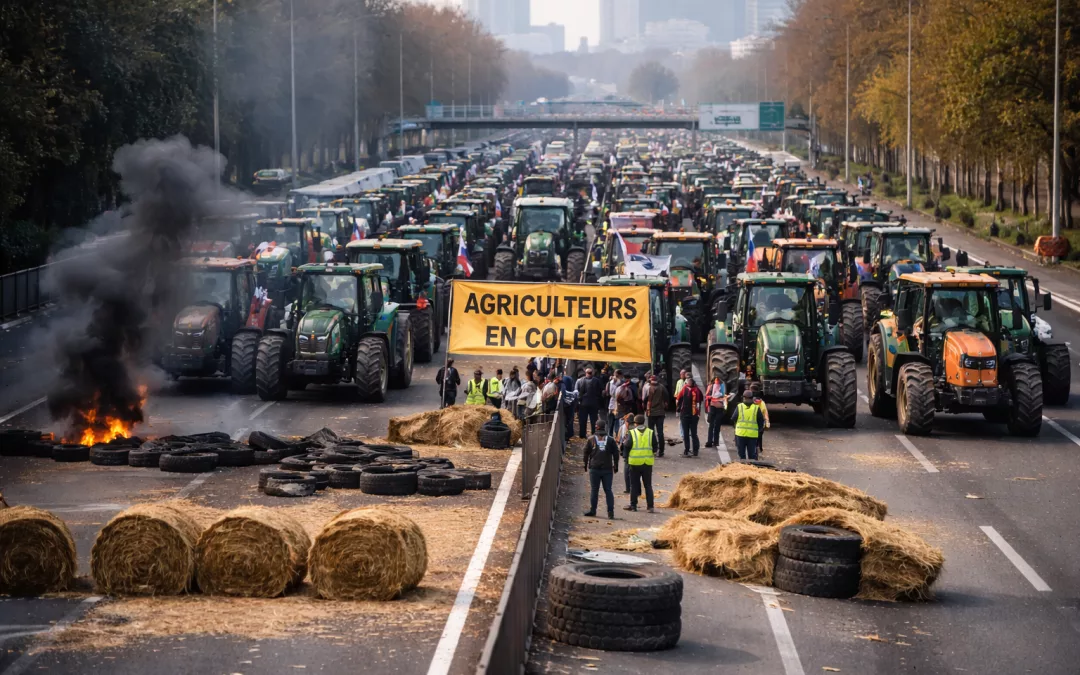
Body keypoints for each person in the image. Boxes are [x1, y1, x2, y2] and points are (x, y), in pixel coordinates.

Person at [582, 421, 619, 519]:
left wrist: (585, 465)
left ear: (596, 427)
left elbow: (586, 453)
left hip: (594, 468)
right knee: (608, 490)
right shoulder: (611, 440)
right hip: (607, 468)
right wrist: (616, 466)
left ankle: (593, 510)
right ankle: (610, 512)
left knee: (594, 490)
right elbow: (616, 453)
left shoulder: (591, 439)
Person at [622, 415, 657, 513]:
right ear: (644, 422)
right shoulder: (650, 432)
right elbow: (655, 447)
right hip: (647, 463)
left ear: (635, 423)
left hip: (634, 463)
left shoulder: (632, 432)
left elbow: (627, 445)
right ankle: (650, 507)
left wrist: (626, 457)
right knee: (648, 485)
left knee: (634, 485)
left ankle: (633, 506)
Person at [733, 389, 766, 460]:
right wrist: (759, 431)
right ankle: (750, 468)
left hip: (740, 434)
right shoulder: (756, 408)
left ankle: (743, 468)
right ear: (752, 398)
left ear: (743, 398)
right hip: (752, 435)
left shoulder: (739, 407)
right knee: (752, 456)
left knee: (741, 455)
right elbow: (761, 421)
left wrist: (736, 428)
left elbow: (734, 418)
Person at [676, 376, 703, 457]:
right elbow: (701, 399)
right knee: (694, 433)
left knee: (686, 433)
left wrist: (678, 410)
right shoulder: (697, 390)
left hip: (685, 415)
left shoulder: (685, 389)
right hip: (694, 415)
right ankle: (695, 451)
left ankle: (687, 450)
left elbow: (678, 399)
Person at [643, 374, 668, 457]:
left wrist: (645, 409)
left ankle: (654, 449)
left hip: (651, 413)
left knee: (651, 431)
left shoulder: (647, 387)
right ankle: (661, 451)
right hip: (661, 413)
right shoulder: (662, 387)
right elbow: (667, 397)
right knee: (660, 432)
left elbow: (644, 400)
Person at [576, 367, 602, 438]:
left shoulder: (580, 381)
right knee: (594, 420)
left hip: (583, 404)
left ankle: (582, 434)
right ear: (592, 373)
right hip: (594, 404)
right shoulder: (597, 381)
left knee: (582, 420)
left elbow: (576, 392)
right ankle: (594, 434)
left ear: (585, 373)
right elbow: (600, 392)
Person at [704, 376, 727, 448]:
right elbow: (707, 396)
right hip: (716, 407)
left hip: (715, 407)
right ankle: (713, 441)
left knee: (713, 425)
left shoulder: (716, 386)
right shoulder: (718, 386)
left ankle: (712, 441)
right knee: (715, 425)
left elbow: (707, 396)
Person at [752, 385, 771, 455]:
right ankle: (759, 447)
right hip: (760, 423)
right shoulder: (762, 403)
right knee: (759, 436)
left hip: (752, 423)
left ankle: (755, 448)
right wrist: (767, 423)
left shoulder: (750, 402)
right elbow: (765, 413)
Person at [606, 370, 623, 438]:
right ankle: (616, 437)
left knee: (612, 422)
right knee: (616, 422)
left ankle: (611, 436)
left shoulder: (610, 383)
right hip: (618, 405)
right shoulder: (621, 383)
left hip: (612, 405)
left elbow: (608, 393)